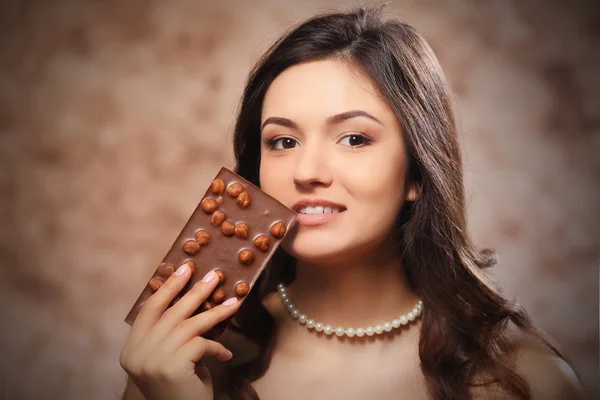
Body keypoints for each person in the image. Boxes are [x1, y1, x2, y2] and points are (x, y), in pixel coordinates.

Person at [119, 6, 585, 400]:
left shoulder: (521, 380)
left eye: (354, 138)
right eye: (282, 142)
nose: (307, 171)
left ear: (416, 173)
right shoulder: (186, 364)